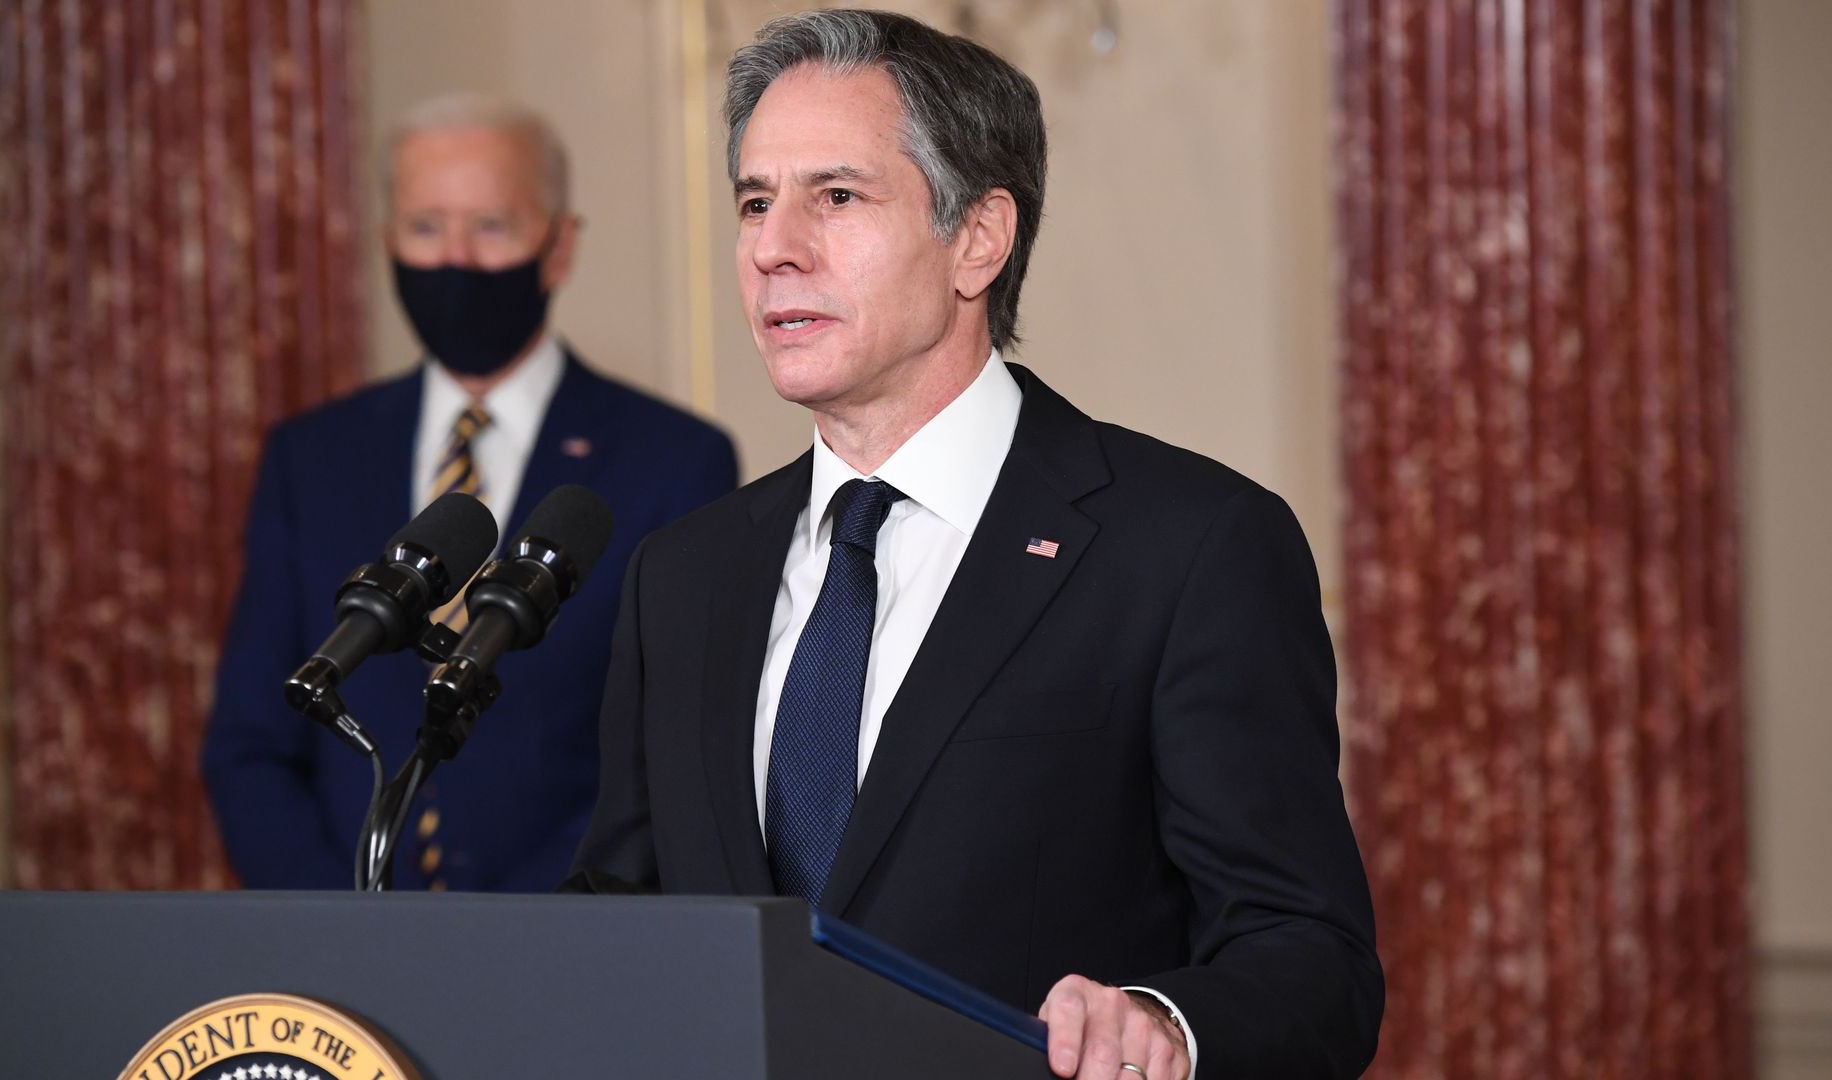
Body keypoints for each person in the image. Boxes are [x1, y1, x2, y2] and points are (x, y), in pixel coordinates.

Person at [569, 11, 1381, 1080]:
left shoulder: (1188, 548)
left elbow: (1309, 956)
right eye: (756, 202)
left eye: (837, 197)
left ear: (978, 239)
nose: (772, 248)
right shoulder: (683, 575)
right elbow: (620, 924)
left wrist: (1161, 1025)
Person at [203, 94, 737, 892]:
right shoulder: (309, 458)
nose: (455, 259)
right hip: (340, 943)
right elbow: (252, 741)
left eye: (491, 226)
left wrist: (510, 936)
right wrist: (339, 924)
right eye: (425, 227)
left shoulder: (674, 461)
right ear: (387, 244)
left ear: (559, 247)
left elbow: (671, 756)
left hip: (566, 939)